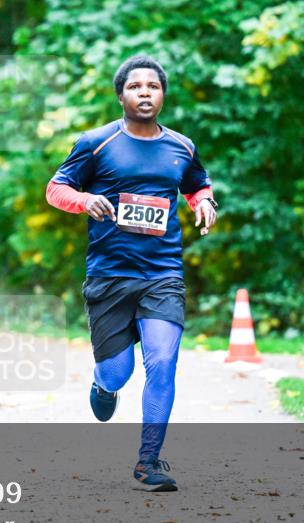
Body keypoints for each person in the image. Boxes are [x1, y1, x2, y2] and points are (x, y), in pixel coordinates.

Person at [45, 55, 218, 492]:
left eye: (153, 86)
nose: (145, 92)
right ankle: (104, 386)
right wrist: (84, 201)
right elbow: (56, 188)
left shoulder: (182, 146)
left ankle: (149, 462)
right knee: (119, 373)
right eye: (136, 86)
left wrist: (203, 203)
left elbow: (196, 184)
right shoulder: (96, 143)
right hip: (109, 276)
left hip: (162, 273)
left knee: (162, 363)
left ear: (162, 95)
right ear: (121, 94)